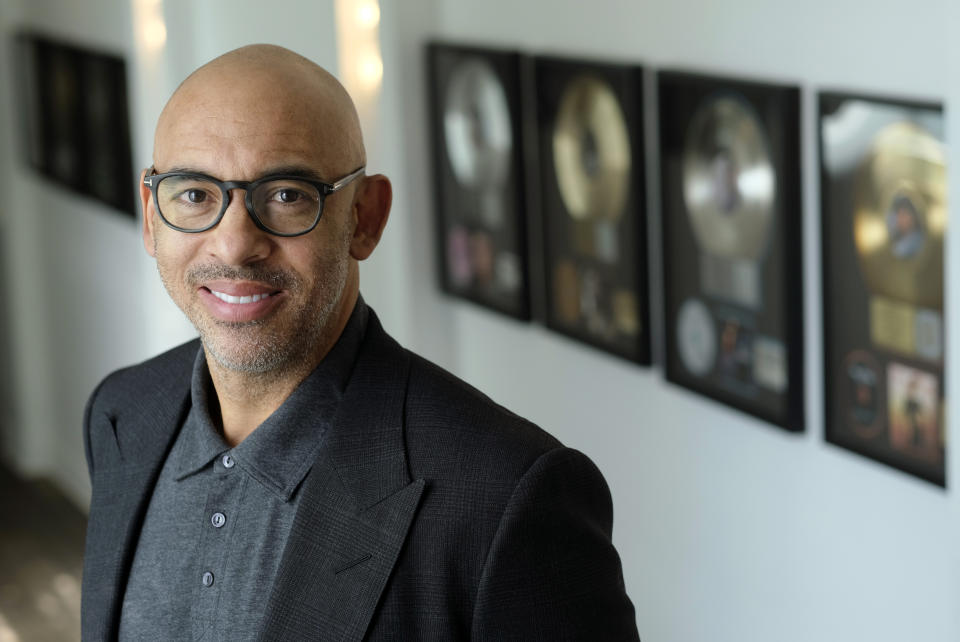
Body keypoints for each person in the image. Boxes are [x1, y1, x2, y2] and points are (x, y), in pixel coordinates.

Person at [81, 44, 640, 641]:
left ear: (365, 218)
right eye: (193, 194)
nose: (234, 244)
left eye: (287, 194)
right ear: (151, 215)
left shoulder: (509, 499)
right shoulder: (122, 415)